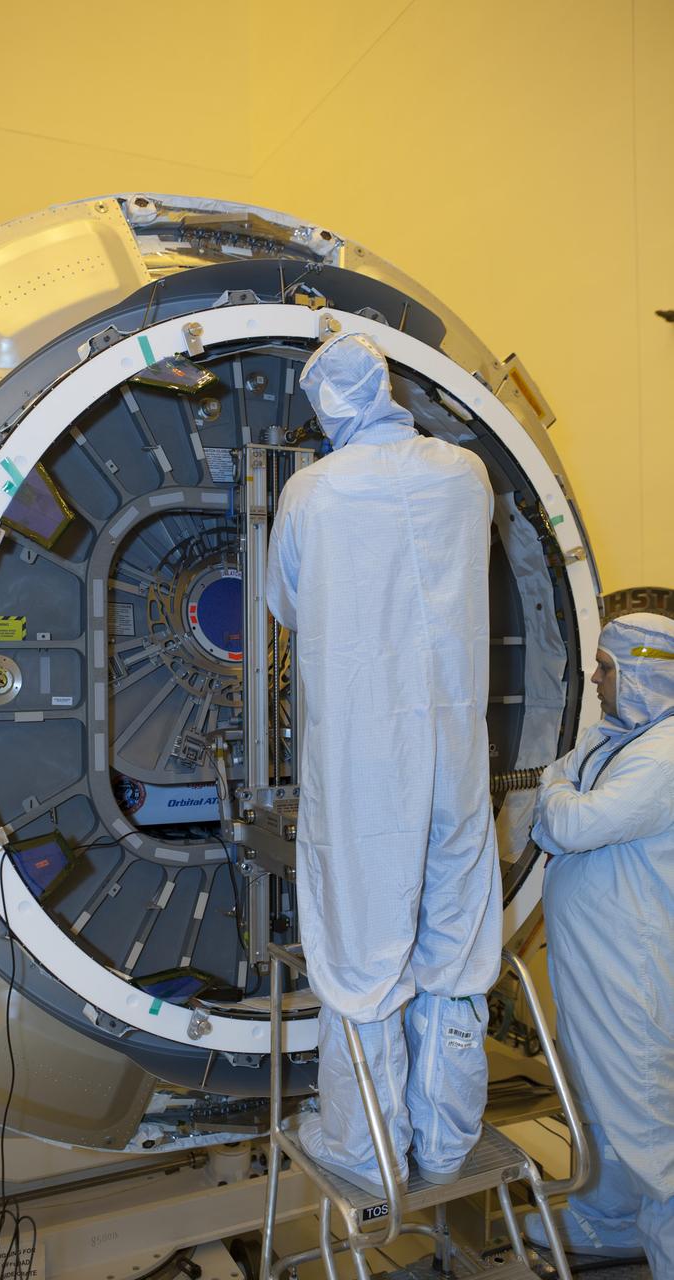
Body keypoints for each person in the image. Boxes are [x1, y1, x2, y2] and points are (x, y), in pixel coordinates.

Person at [266, 332, 501, 1192]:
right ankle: (444, 1142)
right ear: (390, 385)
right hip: (454, 748)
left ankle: (364, 1147)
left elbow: (284, 602)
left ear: (327, 402)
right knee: (455, 946)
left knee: (363, 959)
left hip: (365, 759)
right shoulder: (465, 473)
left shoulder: (314, 493)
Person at [526, 613, 674, 1277]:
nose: (595, 678)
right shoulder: (619, 739)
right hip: (592, 956)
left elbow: (570, 824)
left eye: (607, 668)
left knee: (642, 1115)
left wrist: (552, 790)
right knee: (596, 1099)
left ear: (643, 671)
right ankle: (609, 1224)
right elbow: (561, 786)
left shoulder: (663, 754)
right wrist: (558, 785)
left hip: (627, 963)